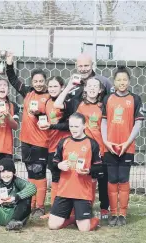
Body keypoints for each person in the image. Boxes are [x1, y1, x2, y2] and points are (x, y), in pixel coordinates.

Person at [54, 76, 110, 219]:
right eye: (89, 85)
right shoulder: (77, 103)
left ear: (100, 90)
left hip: (100, 148)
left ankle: (104, 208)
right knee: (84, 179)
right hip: (81, 149)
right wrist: (68, 87)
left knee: (101, 180)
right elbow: (58, 104)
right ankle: (84, 210)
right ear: (84, 88)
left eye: (95, 86)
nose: (92, 88)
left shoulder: (104, 105)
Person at [5, 51, 50, 218]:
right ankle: (30, 204)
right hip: (26, 141)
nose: (38, 84)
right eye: (36, 81)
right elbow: (13, 79)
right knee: (31, 173)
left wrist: (39, 113)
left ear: (45, 82)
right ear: (32, 82)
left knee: (40, 172)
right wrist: (9, 63)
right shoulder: (28, 93)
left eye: (41, 81)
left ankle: (40, 206)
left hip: (42, 141)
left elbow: (51, 118)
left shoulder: (50, 97)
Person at [101, 66, 144, 226]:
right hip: (110, 147)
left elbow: (138, 123)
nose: (122, 82)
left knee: (123, 180)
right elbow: (103, 121)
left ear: (129, 81)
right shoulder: (107, 99)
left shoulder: (135, 99)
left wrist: (127, 143)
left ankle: (123, 214)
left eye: (125, 79)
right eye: (118, 79)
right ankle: (113, 213)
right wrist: (106, 141)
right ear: (114, 81)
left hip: (127, 147)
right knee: (112, 180)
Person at [48, 112, 102, 232]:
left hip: (82, 192)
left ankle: (94, 220)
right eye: (71, 126)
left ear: (84, 126)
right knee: (52, 225)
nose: (73, 129)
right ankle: (73, 219)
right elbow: (53, 163)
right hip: (64, 191)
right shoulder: (63, 142)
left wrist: (88, 170)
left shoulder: (92, 143)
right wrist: (59, 165)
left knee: (84, 229)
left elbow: (99, 167)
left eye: (76, 126)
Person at [37, 76, 70, 218]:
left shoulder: (67, 102)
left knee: (67, 177)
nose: (52, 89)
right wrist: (40, 119)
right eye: (50, 87)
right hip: (52, 145)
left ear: (62, 87)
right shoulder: (47, 102)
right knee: (55, 177)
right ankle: (54, 210)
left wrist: (51, 125)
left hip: (66, 145)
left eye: (55, 86)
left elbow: (68, 125)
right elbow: (47, 120)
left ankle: (69, 209)